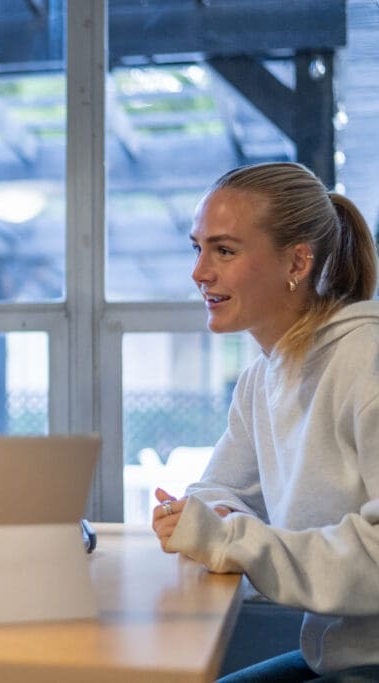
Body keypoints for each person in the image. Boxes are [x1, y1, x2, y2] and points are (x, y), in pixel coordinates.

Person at [151, 161, 379, 680]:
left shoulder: (367, 359)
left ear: (297, 261)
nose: (199, 272)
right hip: (337, 657)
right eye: (198, 247)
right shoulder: (262, 377)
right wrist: (215, 522)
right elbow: (213, 492)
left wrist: (230, 539)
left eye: (224, 250)